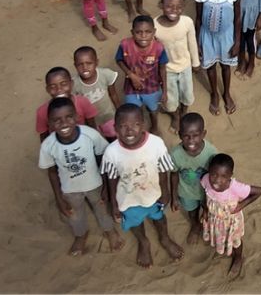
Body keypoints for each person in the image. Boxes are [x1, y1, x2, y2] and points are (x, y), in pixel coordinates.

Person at [101, 104, 184, 269]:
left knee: (159, 218)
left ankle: (164, 238)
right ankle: (143, 242)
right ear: (115, 128)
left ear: (144, 124)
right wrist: (114, 202)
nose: (129, 130)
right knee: (135, 221)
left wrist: (165, 192)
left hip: (154, 195)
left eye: (135, 125)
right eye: (123, 126)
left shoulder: (156, 144)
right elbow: (111, 177)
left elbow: (163, 170)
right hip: (128, 198)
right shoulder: (111, 152)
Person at [39, 97, 124, 256]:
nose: (64, 123)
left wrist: (105, 184)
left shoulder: (90, 135)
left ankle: (109, 231)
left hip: (95, 185)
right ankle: (80, 235)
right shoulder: (48, 146)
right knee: (75, 214)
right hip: (70, 190)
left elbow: (102, 158)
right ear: (49, 123)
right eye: (57, 120)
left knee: (101, 209)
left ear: (77, 117)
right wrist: (59, 198)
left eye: (68, 117)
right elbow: (51, 172)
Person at [191, 0, 242, 115]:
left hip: (226, 37)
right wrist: (197, 42)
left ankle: (226, 93)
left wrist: (237, 42)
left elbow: (238, 19)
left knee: (225, 67)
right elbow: (198, 18)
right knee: (211, 66)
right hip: (207, 37)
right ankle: (214, 93)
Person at [201, 153, 261, 278]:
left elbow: (259, 191)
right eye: (214, 174)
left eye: (223, 176)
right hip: (215, 218)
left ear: (230, 176)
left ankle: (238, 257)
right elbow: (206, 193)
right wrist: (205, 210)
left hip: (231, 221)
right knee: (220, 235)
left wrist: (242, 205)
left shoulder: (235, 187)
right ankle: (223, 246)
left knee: (235, 240)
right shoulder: (206, 179)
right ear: (209, 171)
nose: (217, 180)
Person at [154, 0, 200, 133]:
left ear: (183, 7)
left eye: (178, 7)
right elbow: (153, 51)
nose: (174, 10)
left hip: (185, 66)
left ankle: (184, 113)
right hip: (167, 70)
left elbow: (192, 42)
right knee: (171, 97)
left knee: (187, 93)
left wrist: (195, 63)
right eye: (169, 6)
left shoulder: (187, 22)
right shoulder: (154, 26)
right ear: (161, 5)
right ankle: (175, 116)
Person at [115, 15, 168, 135]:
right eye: (138, 32)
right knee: (133, 112)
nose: (143, 36)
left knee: (153, 110)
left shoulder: (159, 48)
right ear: (132, 32)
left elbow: (163, 69)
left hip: (152, 88)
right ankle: (137, 131)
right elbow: (119, 60)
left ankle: (154, 127)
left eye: (148, 32)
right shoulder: (124, 45)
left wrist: (165, 91)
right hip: (131, 89)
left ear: (154, 32)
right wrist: (131, 75)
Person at [170, 113, 218, 244]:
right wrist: (174, 197)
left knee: (209, 212)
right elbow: (173, 174)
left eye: (195, 135)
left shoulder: (212, 153)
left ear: (203, 134)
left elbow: (216, 177)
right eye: (186, 136)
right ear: (180, 135)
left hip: (206, 193)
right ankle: (195, 226)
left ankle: (210, 229)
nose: (191, 140)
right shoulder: (175, 154)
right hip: (187, 192)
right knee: (192, 212)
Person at [36, 67, 98, 142]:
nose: (59, 89)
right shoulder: (42, 111)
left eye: (64, 84)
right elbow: (44, 137)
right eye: (53, 87)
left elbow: (92, 126)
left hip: (84, 142)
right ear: (48, 89)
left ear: (71, 84)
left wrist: (94, 142)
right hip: (59, 148)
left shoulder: (82, 102)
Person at [73, 46, 121, 141]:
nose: (85, 68)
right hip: (91, 121)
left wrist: (120, 111)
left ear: (96, 62)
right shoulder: (74, 84)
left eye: (89, 63)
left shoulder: (106, 74)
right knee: (96, 140)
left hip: (109, 116)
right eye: (80, 64)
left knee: (112, 137)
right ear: (75, 66)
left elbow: (113, 94)